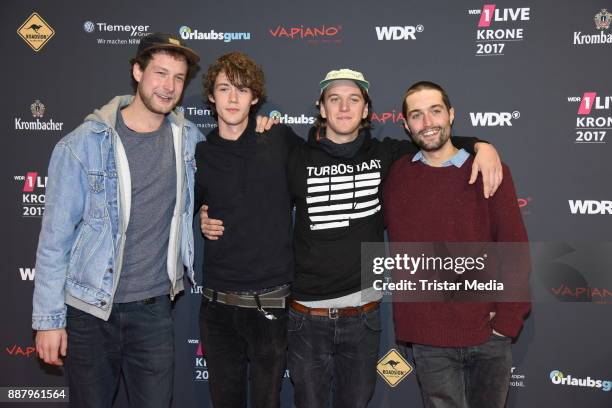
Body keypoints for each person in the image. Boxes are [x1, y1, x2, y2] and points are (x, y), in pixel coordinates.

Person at [31, 32, 203, 408]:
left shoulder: (188, 139)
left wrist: (262, 128)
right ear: (137, 71)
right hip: (90, 312)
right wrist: (48, 320)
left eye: (178, 78)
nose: (169, 87)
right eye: (160, 73)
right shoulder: (84, 143)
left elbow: (226, 162)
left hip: (154, 311)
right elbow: (54, 239)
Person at [383, 81, 531, 408]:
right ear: (406, 124)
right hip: (428, 338)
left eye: (435, 111)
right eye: (417, 115)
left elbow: (515, 250)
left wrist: (506, 322)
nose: (428, 122)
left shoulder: (489, 171)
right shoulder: (396, 177)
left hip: (489, 334)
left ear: (451, 114)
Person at [194, 52, 301, 408]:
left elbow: (329, 159)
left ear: (255, 97)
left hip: (270, 304)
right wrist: (200, 218)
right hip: (217, 307)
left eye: (242, 89)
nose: (233, 98)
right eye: (224, 88)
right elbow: (179, 211)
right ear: (211, 96)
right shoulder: (200, 153)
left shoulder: (279, 139)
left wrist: (476, 145)